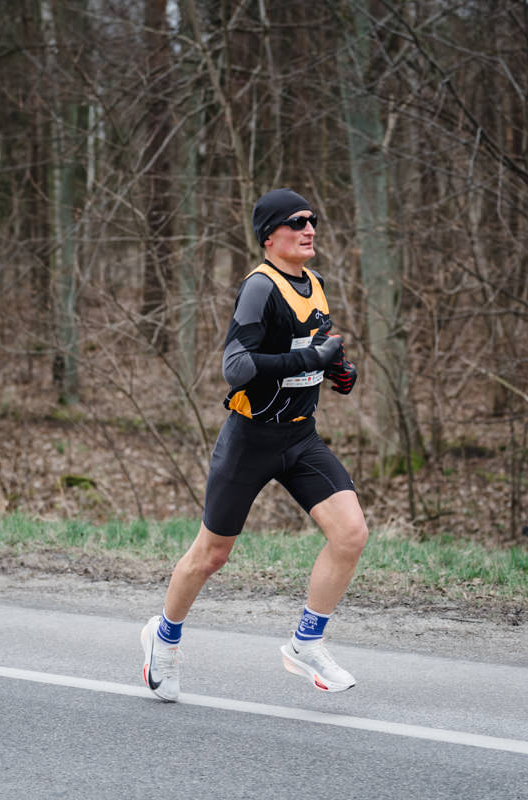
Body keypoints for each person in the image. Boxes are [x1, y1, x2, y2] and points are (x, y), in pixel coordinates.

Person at [140, 188, 368, 701]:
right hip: (251, 439)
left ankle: (306, 643)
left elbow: (308, 349)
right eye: (297, 222)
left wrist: (337, 369)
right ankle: (164, 638)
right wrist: (310, 360)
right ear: (269, 236)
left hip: (300, 436)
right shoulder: (260, 288)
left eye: (313, 219)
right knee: (211, 555)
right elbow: (237, 368)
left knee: (351, 534)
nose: (310, 229)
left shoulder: (315, 283)